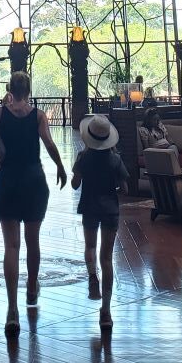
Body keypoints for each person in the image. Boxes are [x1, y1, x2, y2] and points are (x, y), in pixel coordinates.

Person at [0, 70, 67, 337]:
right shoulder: (38, 115)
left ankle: (11, 310)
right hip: (33, 179)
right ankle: (32, 287)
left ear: (9, 88)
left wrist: (2, 150)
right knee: (33, 241)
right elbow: (50, 145)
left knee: (11, 246)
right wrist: (61, 167)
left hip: (8, 180)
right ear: (28, 91)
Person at [71, 115, 128, 331]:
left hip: (89, 208)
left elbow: (75, 185)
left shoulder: (83, 158)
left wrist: (80, 176)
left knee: (90, 247)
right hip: (111, 210)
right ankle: (106, 311)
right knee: (107, 259)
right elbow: (126, 189)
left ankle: (92, 276)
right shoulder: (115, 160)